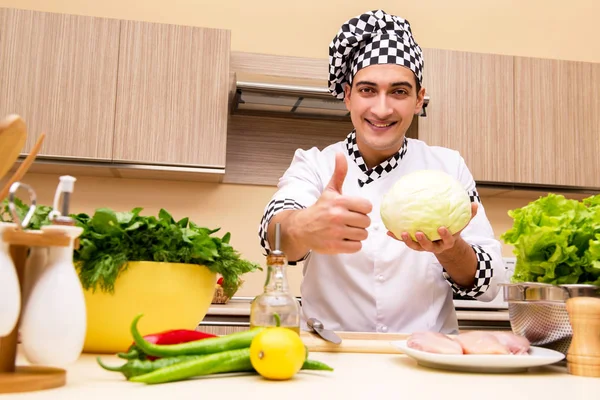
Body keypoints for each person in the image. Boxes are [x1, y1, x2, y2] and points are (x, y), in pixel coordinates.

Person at [257, 9, 506, 334]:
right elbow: (273, 237)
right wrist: (303, 226)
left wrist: (452, 250)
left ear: (419, 99)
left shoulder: (448, 166)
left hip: (426, 359)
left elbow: (487, 285)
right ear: (347, 96)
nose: (382, 108)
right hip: (333, 357)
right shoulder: (315, 164)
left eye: (399, 92)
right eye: (367, 90)